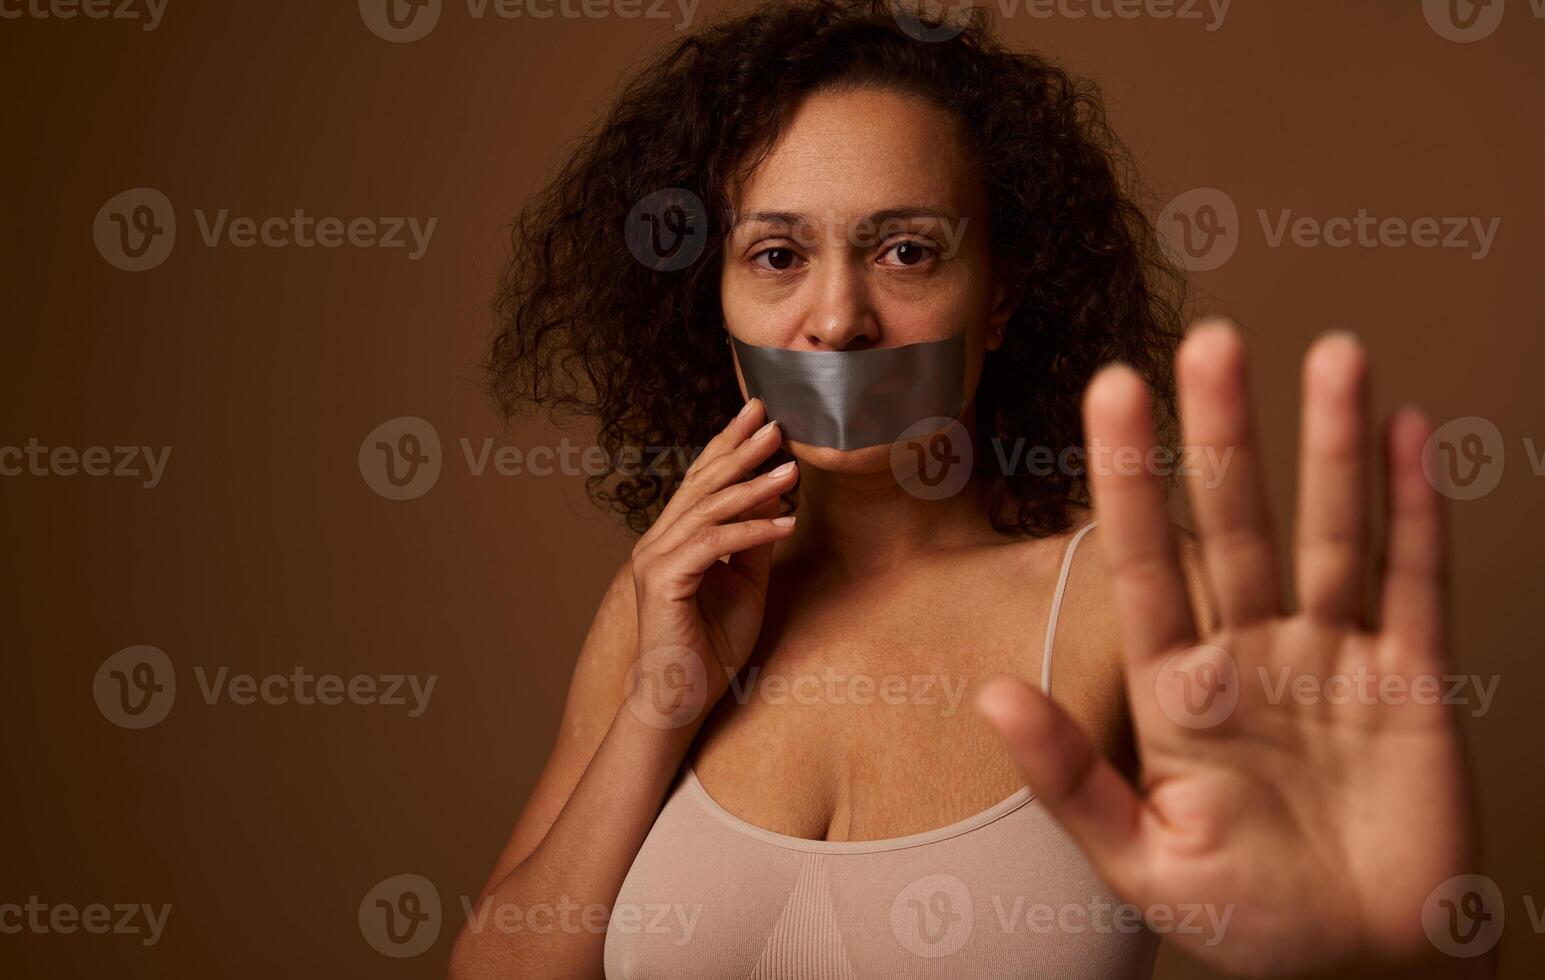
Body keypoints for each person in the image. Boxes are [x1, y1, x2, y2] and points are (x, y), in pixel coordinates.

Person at [449, 2, 1481, 977]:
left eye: (906, 251)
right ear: (710, 300)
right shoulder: (660, 607)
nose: (840, 319)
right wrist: (656, 703)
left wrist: (1391, 922)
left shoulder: (1134, 602)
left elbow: (1379, 900)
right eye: (776, 254)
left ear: (1001, 297)